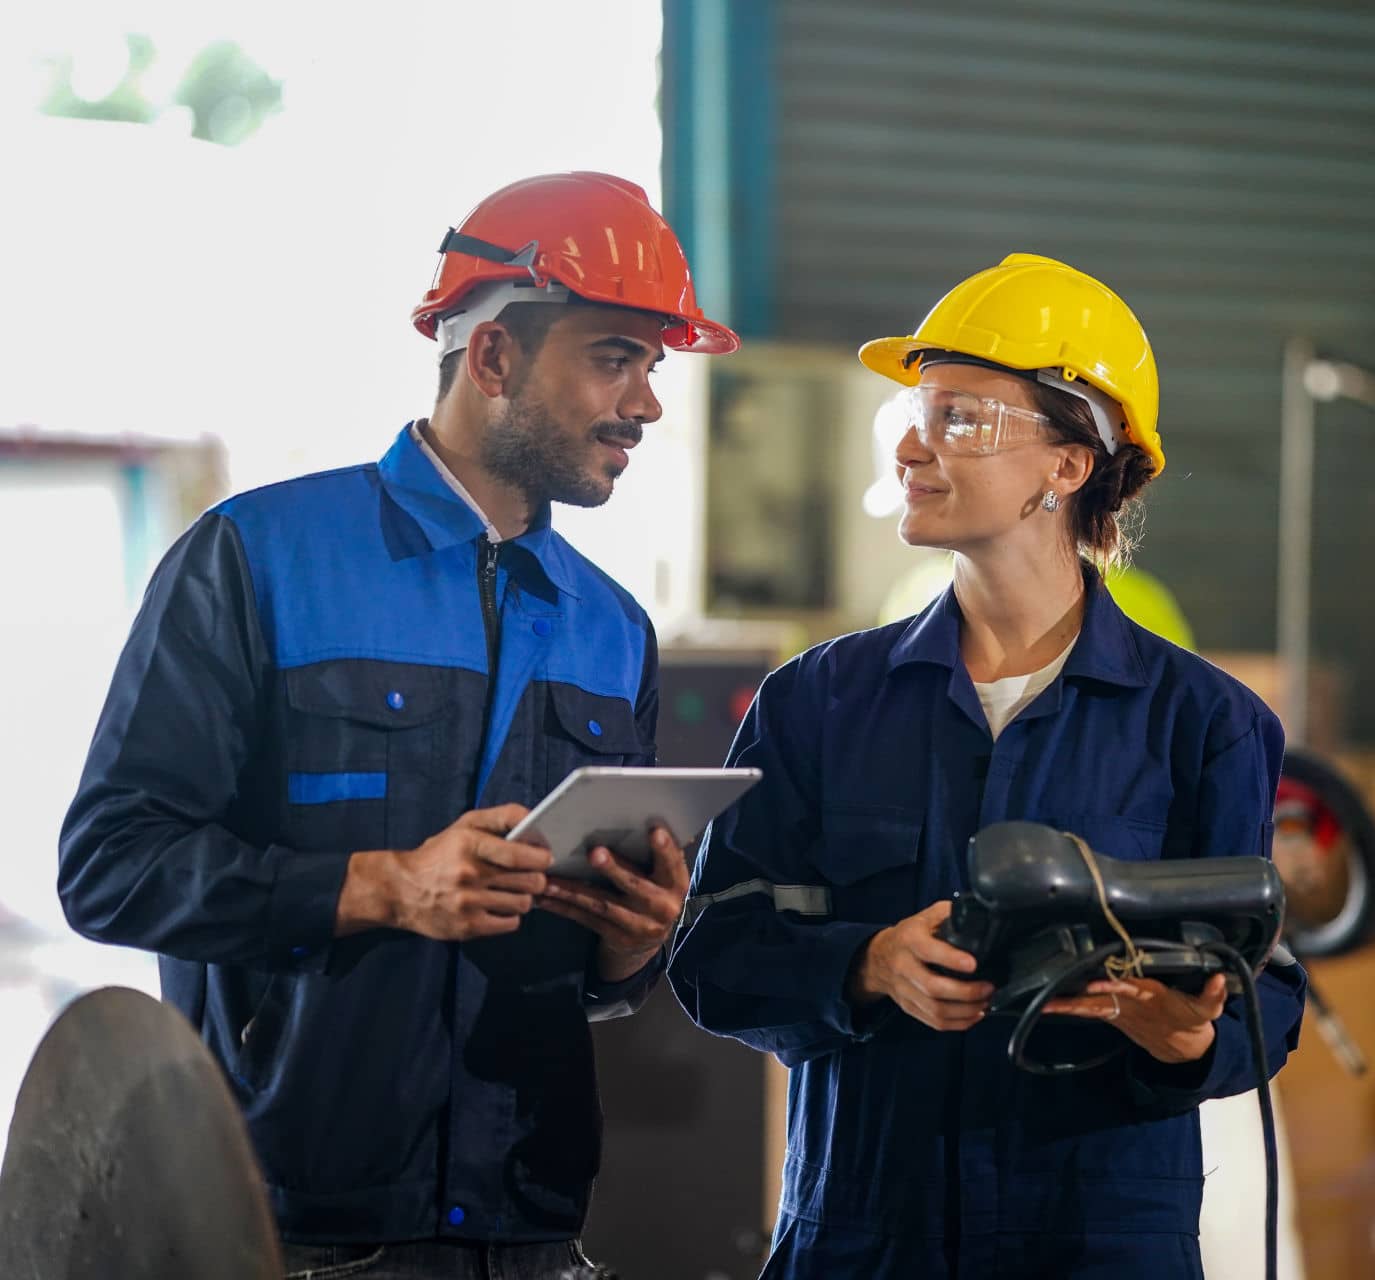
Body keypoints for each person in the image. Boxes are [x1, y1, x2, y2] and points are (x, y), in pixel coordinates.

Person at [58, 172, 736, 1279]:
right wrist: (384, 885)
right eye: (615, 356)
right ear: (495, 358)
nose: (647, 403)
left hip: (530, 1229)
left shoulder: (612, 628)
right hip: (293, 1228)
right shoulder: (257, 559)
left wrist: (631, 944)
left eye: (653, 366)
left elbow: (592, 980)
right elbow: (110, 867)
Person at [668, 253, 1306, 1278]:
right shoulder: (818, 702)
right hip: (867, 1233)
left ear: (1069, 464)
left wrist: (1187, 1035)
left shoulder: (1206, 722)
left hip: (1094, 1241)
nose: (915, 446)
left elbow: (1269, 992)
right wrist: (865, 965)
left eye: (961, 418)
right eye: (914, 415)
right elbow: (712, 954)